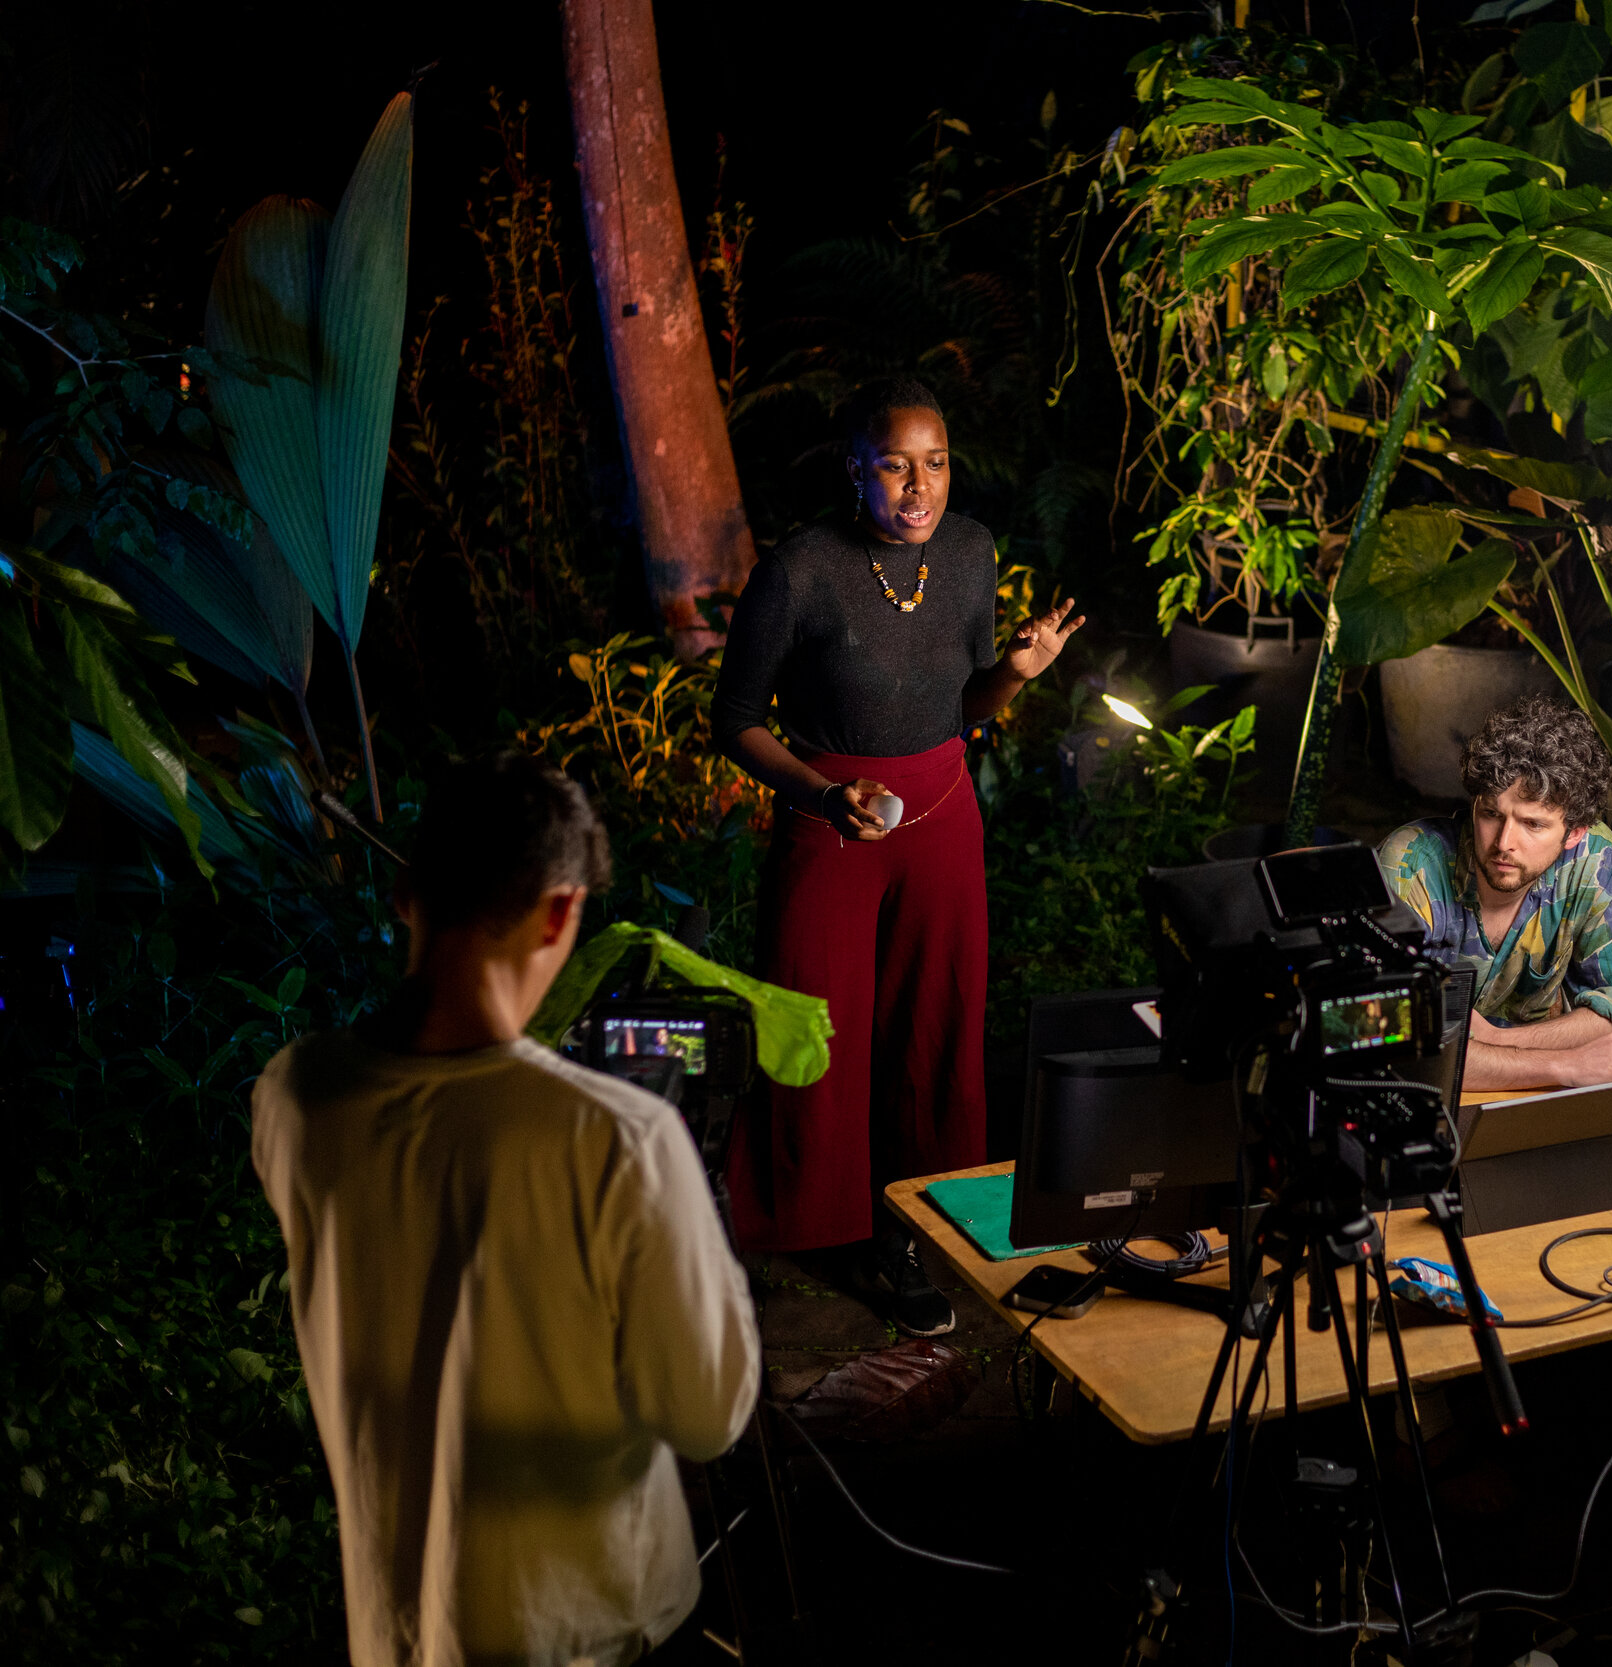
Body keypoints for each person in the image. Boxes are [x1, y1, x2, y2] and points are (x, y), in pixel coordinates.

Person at [252, 755, 759, 1667]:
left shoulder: (292, 1096)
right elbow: (706, 1410)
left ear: (407, 893)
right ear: (561, 911)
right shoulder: (620, 1138)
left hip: (401, 1627)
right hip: (585, 1630)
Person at [712, 377, 1082, 1336]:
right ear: (856, 472)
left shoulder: (968, 552)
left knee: (937, 1026)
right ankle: (815, 1221)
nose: (919, 486)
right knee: (816, 1030)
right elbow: (735, 721)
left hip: (943, 818)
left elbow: (957, 708)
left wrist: (1016, 671)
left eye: (936, 462)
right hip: (834, 822)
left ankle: (914, 1223)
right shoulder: (799, 571)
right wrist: (826, 797)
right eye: (894, 465)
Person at [1376, 693, 1612, 1090]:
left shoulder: (1593, 858)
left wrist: (1499, 1042)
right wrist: (1563, 1065)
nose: (1504, 842)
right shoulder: (1410, 867)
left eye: (1533, 824)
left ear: (1575, 833)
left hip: (1530, 1101)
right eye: (1491, 814)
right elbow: (1391, 1044)